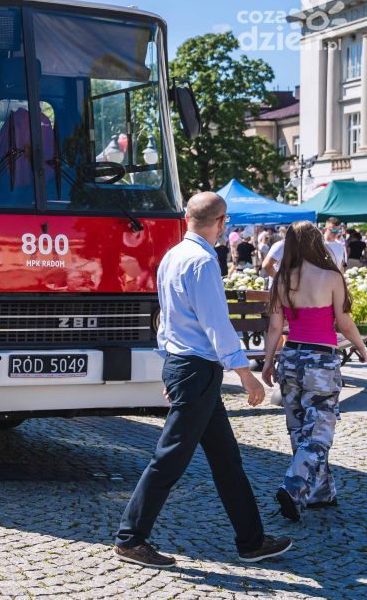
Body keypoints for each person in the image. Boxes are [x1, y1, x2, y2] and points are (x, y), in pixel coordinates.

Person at [113, 192, 292, 568]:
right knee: (169, 459)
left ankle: (252, 540)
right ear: (222, 221)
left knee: (227, 460)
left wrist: (171, 367)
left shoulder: (173, 256)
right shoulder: (203, 262)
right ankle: (130, 538)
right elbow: (217, 325)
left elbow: (165, 321)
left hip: (188, 368)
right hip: (196, 370)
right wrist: (247, 376)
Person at [261, 221, 365, 522]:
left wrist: (268, 361)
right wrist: (363, 349)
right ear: (317, 242)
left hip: (291, 357)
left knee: (298, 427)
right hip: (320, 359)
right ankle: (294, 486)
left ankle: (320, 492)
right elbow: (344, 323)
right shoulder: (331, 276)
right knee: (319, 431)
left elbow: (274, 327)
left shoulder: (282, 279)